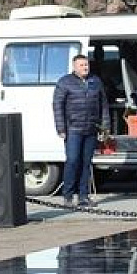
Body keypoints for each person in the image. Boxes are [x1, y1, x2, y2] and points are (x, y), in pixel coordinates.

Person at [53, 54, 109, 206]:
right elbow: (57, 106)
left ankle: (84, 196)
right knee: (72, 161)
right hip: (73, 129)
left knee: (86, 163)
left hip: (90, 128)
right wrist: (60, 128)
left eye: (86, 65)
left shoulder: (95, 81)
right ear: (74, 67)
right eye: (81, 65)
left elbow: (103, 105)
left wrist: (105, 127)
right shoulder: (65, 82)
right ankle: (68, 196)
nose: (85, 67)